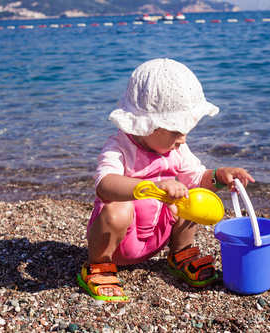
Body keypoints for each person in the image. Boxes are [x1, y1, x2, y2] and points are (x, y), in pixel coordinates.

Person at [77, 58, 255, 302]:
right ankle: (98, 265)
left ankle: (180, 253)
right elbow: (105, 185)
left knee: (189, 194)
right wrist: (151, 188)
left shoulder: (176, 149)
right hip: (116, 243)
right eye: (176, 131)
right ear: (148, 125)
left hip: (157, 235)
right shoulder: (119, 147)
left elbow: (197, 178)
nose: (182, 139)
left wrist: (220, 175)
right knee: (117, 208)